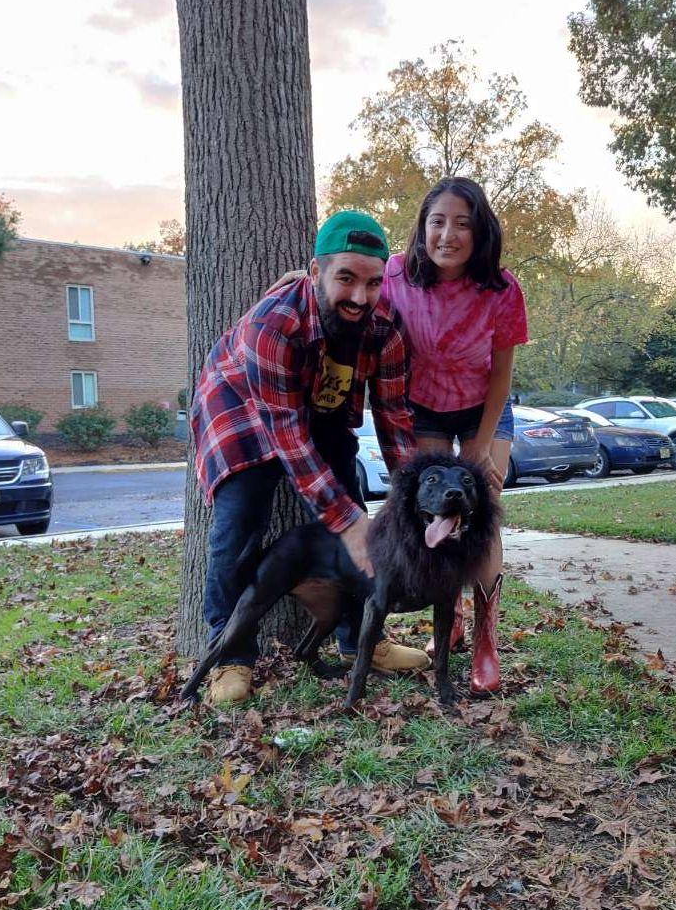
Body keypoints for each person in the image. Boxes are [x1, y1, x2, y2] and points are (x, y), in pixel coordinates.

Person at [267, 178, 528, 694]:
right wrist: (303, 276)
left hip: (485, 410)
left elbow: (502, 370)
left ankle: (484, 641)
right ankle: (447, 618)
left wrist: (480, 443)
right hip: (423, 410)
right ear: (422, 228)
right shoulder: (397, 275)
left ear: (480, 231)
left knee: (482, 520)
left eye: (461, 223)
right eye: (437, 222)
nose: (447, 235)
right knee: (435, 516)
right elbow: (349, 279)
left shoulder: (502, 288)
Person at [191, 210, 429, 705]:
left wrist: (411, 503)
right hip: (240, 406)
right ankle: (229, 655)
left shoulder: (384, 327)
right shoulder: (273, 323)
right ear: (316, 271)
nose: (359, 297)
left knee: (348, 495)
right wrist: (350, 524)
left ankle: (359, 640)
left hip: (318, 402)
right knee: (239, 524)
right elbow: (287, 438)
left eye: (372, 282)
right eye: (345, 278)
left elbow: (394, 422)